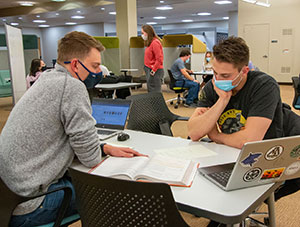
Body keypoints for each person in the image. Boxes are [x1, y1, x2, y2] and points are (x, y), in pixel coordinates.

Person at [0, 31, 144, 227]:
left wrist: (103, 147)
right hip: (30, 204)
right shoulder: (72, 87)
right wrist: (96, 150)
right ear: (75, 64)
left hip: (8, 197)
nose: (99, 73)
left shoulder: (47, 77)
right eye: (94, 66)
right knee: (111, 194)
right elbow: (90, 158)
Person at [188, 36, 284, 149]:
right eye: (215, 72)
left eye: (225, 75)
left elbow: (248, 141)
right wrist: (222, 101)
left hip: (263, 154)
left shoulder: (264, 86)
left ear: (244, 71)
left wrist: (217, 136)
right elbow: (193, 133)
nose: (218, 79)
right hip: (228, 151)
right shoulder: (212, 87)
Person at [141, 24, 164, 92]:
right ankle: (152, 103)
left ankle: (156, 103)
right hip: (149, 69)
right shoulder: (150, 43)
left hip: (154, 70)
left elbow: (159, 59)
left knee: (155, 91)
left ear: (148, 32)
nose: (142, 35)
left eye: (143, 33)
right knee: (151, 90)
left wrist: (153, 70)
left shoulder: (155, 42)